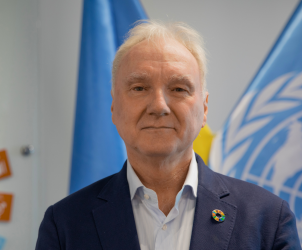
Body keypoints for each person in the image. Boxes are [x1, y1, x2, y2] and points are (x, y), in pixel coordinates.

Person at [35, 21, 300, 250]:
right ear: (114, 106)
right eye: (139, 88)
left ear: (204, 108)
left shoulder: (268, 220)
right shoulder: (64, 224)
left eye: (178, 89)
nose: (159, 106)